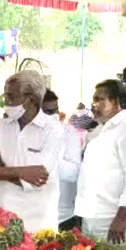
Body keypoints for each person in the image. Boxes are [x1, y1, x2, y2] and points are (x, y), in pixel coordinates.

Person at [0, 70, 62, 233]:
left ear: (29, 100)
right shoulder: (2, 126)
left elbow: (37, 180)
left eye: (11, 97)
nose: (6, 102)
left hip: (35, 221)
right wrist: (21, 172)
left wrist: (1, 169)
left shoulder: (52, 130)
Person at [75, 80, 126, 248]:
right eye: (93, 100)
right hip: (93, 214)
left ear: (116, 101)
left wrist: (120, 220)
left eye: (99, 99)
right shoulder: (99, 130)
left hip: (113, 219)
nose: (94, 105)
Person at [42, 90, 83, 231]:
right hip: (32, 212)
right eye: (47, 112)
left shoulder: (68, 132)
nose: (53, 116)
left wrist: (49, 159)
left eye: (55, 110)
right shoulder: (24, 134)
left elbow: (73, 173)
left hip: (63, 214)